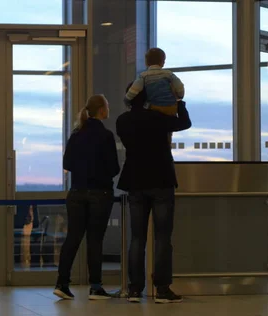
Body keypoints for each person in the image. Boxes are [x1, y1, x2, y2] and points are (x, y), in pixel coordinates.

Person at [116, 83, 192, 304]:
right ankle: (162, 289)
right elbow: (185, 123)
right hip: (161, 179)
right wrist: (178, 103)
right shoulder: (158, 118)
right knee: (162, 238)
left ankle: (134, 289)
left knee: (137, 238)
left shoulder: (122, 121)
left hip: (135, 181)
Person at [54, 94, 120, 301]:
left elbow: (67, 164)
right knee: (95, 240)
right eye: (107, 106)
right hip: (100, 193)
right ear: (101, 110)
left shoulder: (76, 134)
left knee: (73, 238)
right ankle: (95, 287)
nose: (108, 109)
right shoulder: (106, 135)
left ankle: (62, 283)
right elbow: (114, 168)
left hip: (76, 192)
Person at [124, 48, 185, 143]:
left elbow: (134, 90)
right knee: (168, 131)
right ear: (163, 62)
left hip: (154, 109)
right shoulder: (168, 74)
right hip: (171, 108)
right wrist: (180, 96)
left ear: (146, 62)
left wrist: (127, 100)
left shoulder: (144, 76)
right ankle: (167, 146)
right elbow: (179, 87)